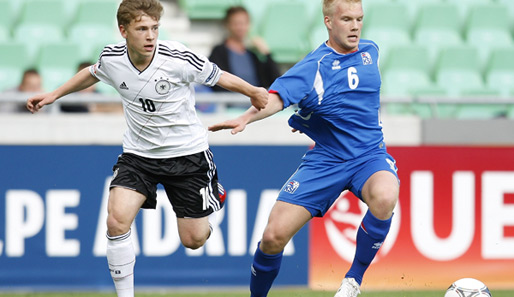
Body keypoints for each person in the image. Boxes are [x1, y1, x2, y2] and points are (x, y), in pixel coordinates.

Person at [26, 0, 268, 296]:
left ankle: (214, 194)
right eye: (142, 29)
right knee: (116, 220)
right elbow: (92, 72)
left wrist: (253, 91)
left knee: (194, 240)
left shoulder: (177, 56)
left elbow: (219, 76)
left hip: (187, 156)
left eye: (154, 28)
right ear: (123, 30)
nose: (151, 35)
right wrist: (54, 94)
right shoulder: (112, 57)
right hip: (139, 156)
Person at [208, 0, 399, 296]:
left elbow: (346, 100)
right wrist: (247, 117)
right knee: (273, 236)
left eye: (359, 19)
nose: (355, 26)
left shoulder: (370, 51)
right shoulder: (313, 66)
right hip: (326, 160)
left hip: (368, 156)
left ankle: (353, 281)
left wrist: (309, 116)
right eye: (347, 19)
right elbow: (276, 98)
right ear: (328, 22)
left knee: (386, 195)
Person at [208, 6, 280, 94]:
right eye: (236, 23)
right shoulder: (219, 52)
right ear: (227, 25)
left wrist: (267, 54)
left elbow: (274, 79)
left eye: (244, 23)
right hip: (230, 104)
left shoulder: (253, 55)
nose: (240, 27)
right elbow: (217, 84)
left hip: (256, 104)